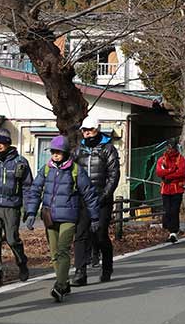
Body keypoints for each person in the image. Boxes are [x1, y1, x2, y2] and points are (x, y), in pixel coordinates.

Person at [24, 136, 100, 302]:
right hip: (49, 216)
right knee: (54, 253)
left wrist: (95, 217)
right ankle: (64, 283)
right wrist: (31, 213)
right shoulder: (46, 169)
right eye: (53, 152)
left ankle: (59, 286)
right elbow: (35, 190)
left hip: (69, 217)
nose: (55, 155)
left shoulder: (76, 170)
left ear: (65, 153)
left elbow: (89, 194)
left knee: (63, 250)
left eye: (58, 152)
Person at [0, 129, 32, 287]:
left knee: (12, 239)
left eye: (1, 143)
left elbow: (28, 187)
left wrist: (29, 208)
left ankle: (22, 263)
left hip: (12, 206)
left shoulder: (20, 162)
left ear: (8, 144)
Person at [73, 115, 120, 286]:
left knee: (100, 235)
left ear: (97, 129)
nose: (87, 133)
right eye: (84, 130)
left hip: (101, 198)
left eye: (90, 130)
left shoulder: (108, 149)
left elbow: (113, 175)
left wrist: (104, 195)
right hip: (83, 198)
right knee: (80, 235)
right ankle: (80, 272)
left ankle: (107, 267)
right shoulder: (78, 150)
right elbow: (72, 172)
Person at [155, 140, 185, 243]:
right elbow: (159, 172)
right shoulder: (162, 159)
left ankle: (173, 232)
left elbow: (181, 172)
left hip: (177, 189)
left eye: (171, 148)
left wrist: (168, 176)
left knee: (174, 210)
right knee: (167, 210)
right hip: (165, 189)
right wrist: (171, 170)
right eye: (168, 148)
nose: (169, 150)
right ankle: (168, 229)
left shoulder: (180, 159)